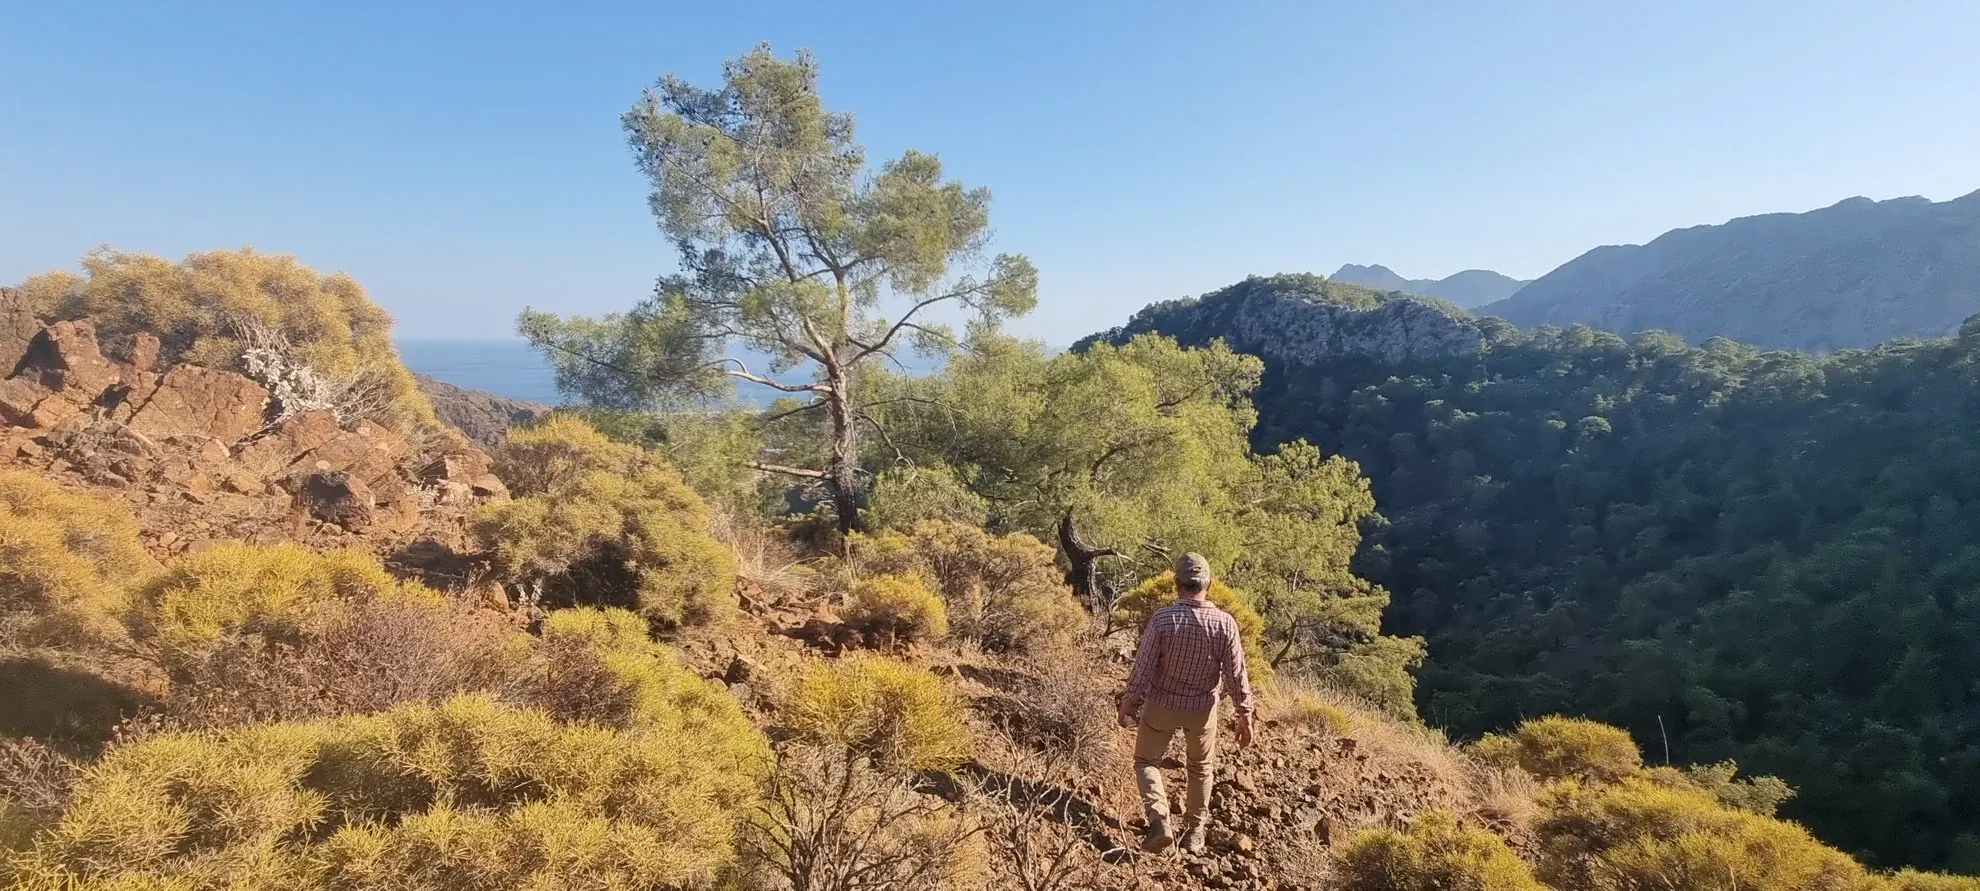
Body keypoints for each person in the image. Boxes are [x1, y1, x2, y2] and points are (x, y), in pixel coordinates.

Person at [1116, 552, 1256, 854]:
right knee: (1201, 767)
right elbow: (1237, 674)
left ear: (1176, 583)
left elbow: (1143, 667)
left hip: (1161, 704)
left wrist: (1129, 703)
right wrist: (1245, 714)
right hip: (1202, 710)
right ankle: (1194, 832)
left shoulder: (1163, 619)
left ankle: (1160, 820)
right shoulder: (1225, 623)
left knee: (1145, 762)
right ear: (1210, 584)